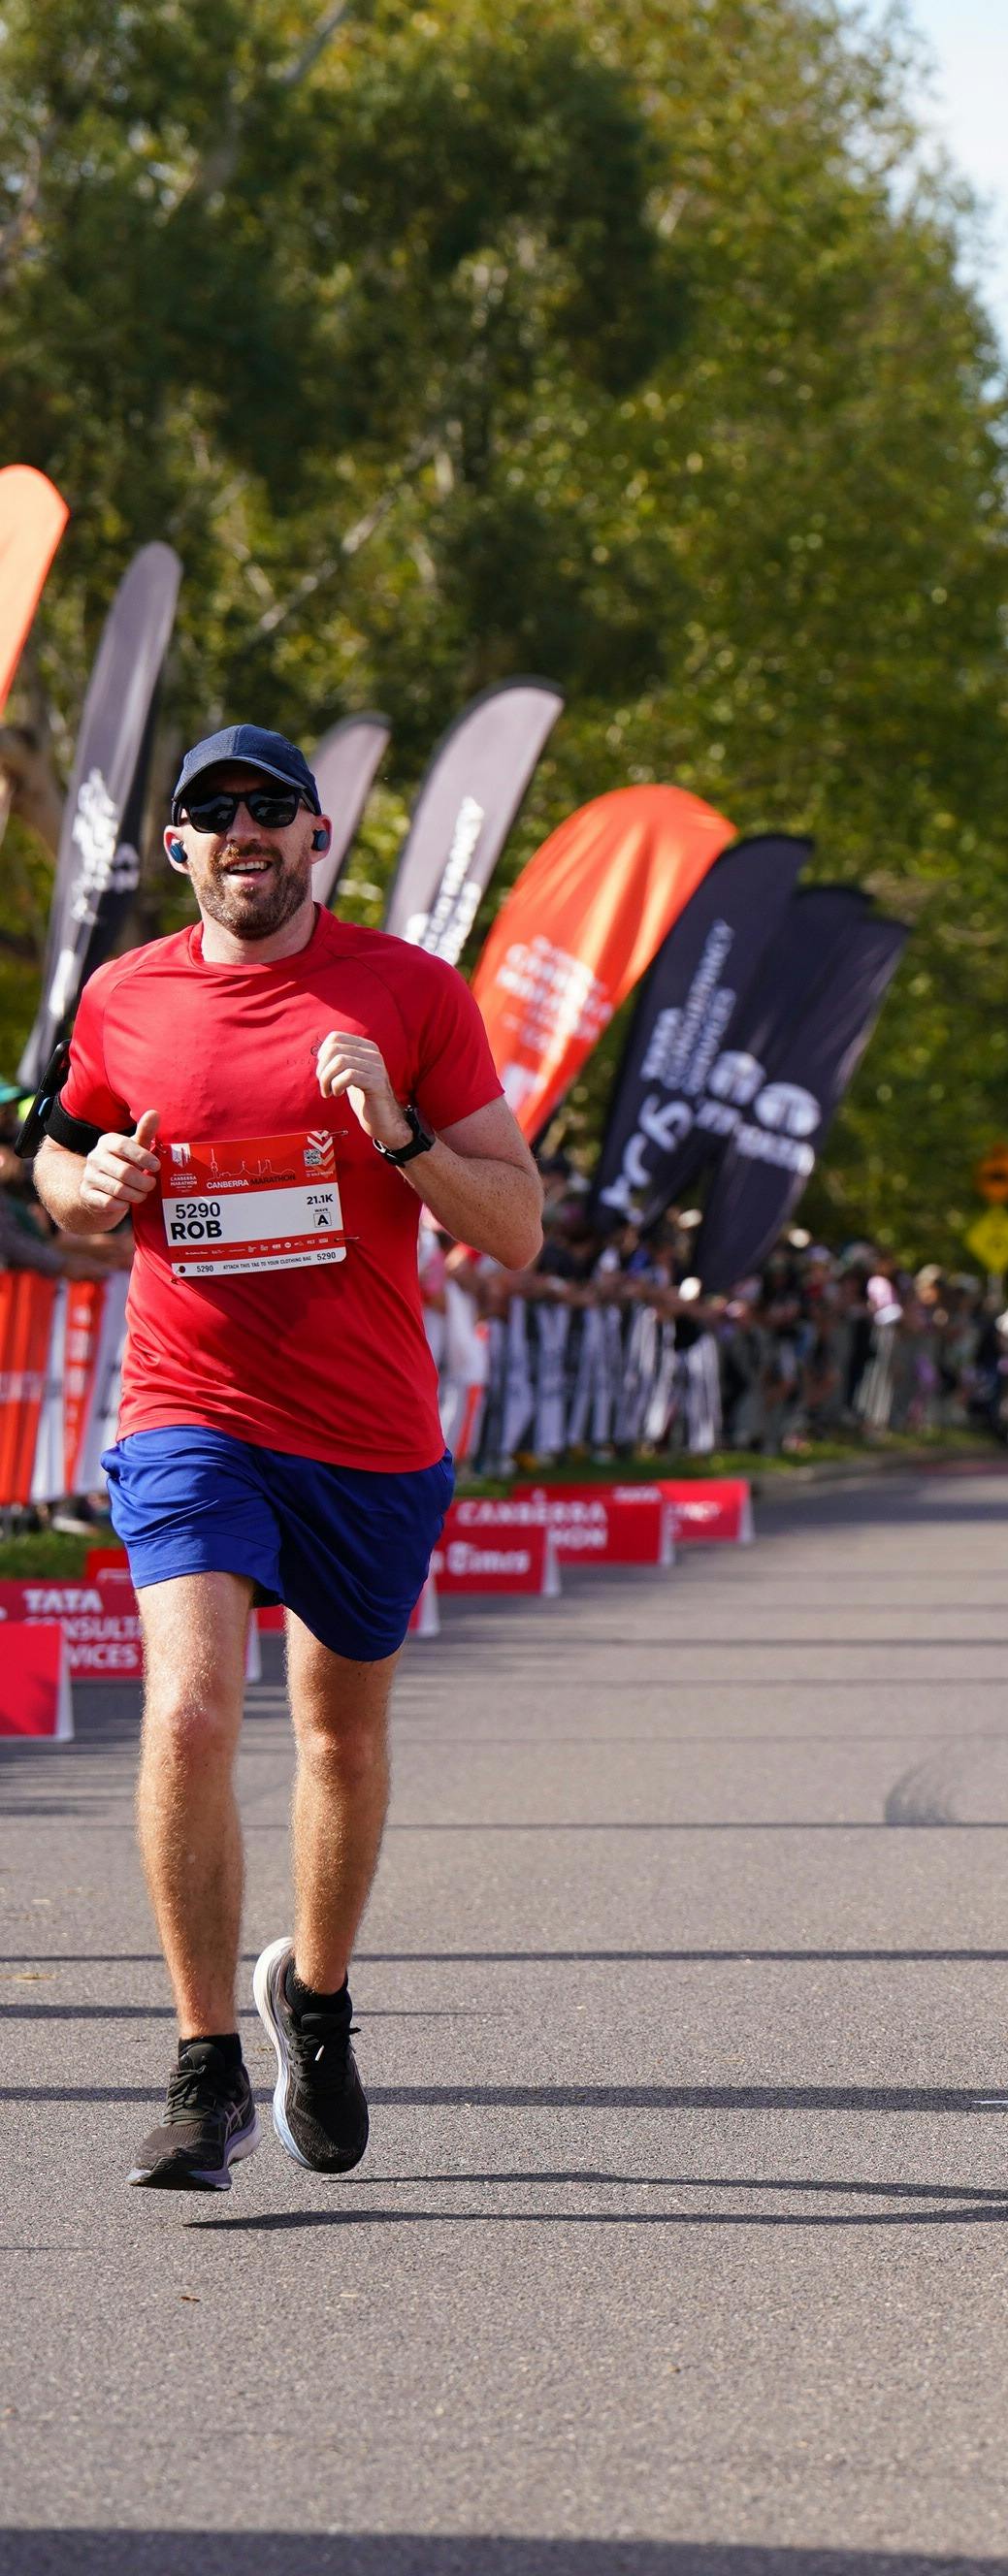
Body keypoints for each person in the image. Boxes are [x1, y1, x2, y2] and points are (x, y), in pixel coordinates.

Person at [36, 725, 544, 2190]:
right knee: (191, 1714)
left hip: (369, 1437)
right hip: (190, 1410)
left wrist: (398, 1138)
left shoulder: (409, 993)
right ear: (179, 848)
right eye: (213, 810)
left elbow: (513, 1224)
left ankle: (312, 2006)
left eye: (271, 808)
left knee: (339, 1737)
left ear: (318, 837)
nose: (242, 828)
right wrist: (90, 1184)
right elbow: (61, 1161)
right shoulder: (127, 998)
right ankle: (204, 2071)